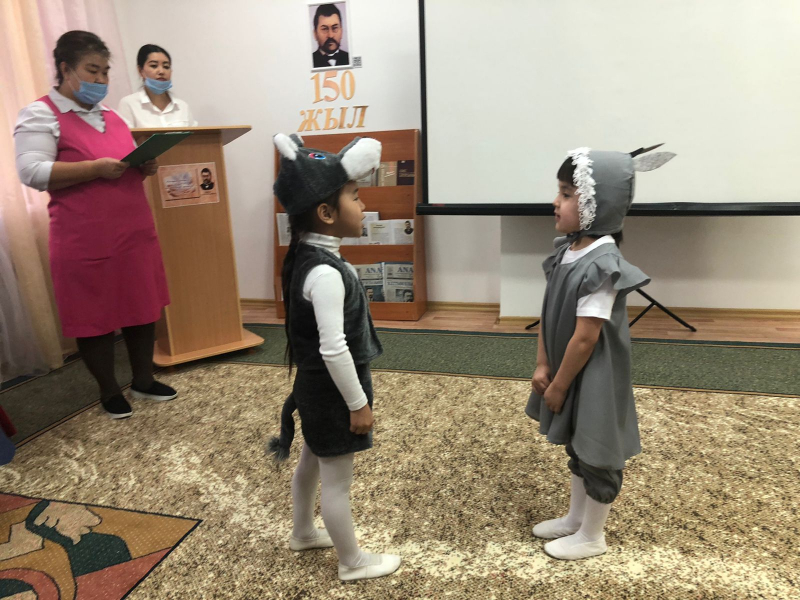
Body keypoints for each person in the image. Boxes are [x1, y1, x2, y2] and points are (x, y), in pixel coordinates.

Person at [14, 31, 176, 419]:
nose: (101, 80)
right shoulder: (40, 114)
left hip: (133, 230)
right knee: (93, 315)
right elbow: (31, 172)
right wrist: (94, 169)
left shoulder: (111, 116)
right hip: (83, 236)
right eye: (92, 71)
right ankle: (108, 390)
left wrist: (144, 165)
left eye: (105, 72)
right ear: (66, 69)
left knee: (142, 305)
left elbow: (121, 163)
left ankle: (143, 379)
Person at [526, 145, 675, 560]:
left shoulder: (602, 264)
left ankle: (593, 535)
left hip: (592, 373)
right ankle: (576, 519)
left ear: (597, 205)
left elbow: (586, 338)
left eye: (566, 194)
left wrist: (559, 384)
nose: (556, 202)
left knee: (596, 447)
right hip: (565, 368)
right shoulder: (567, 250)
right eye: (559, 192)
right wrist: (542, 363)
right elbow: (547, 310)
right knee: (577, 443)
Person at [267, 133, 401, 581]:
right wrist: (358, 404)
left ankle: (303, 532)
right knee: (338, 481)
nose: (362, 206)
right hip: (332, 392)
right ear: (326, 213)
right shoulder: (324, 273)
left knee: (311, 460)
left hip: (314, 388)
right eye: (355, 197)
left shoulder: (309, 258)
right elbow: (334, 348)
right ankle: (352, 562)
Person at [117, 44, 197, 128]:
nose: (161, 71)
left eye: (166, 67)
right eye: (154, 66)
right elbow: (124, 136)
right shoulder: (129, 104)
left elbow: (195, 135)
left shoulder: (182, 106)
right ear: (141, 71)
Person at [312, 4, 350, 68]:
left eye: (334, 28)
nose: (330, 35)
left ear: (341, 31)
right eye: (324, 29)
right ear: (315, 34)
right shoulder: (309, 62)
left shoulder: (349, 58)